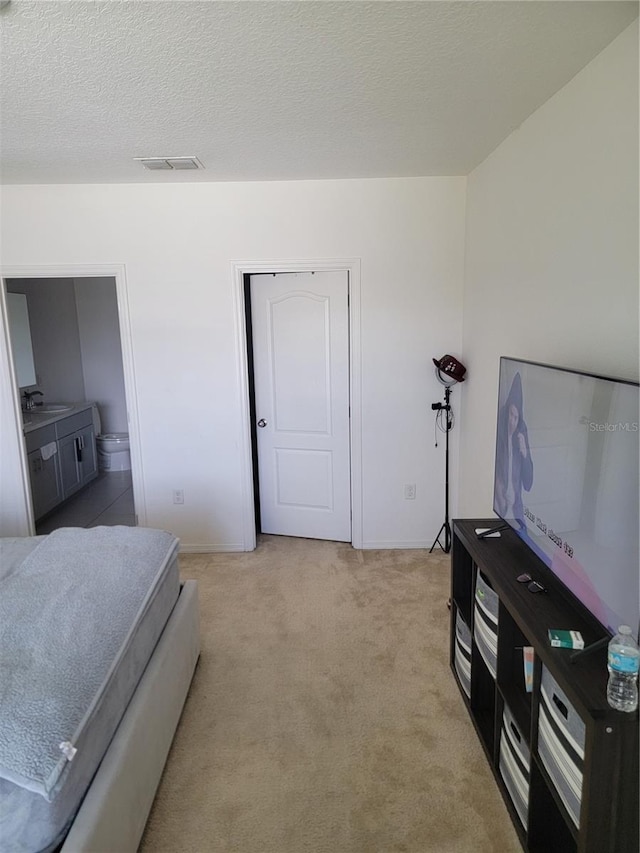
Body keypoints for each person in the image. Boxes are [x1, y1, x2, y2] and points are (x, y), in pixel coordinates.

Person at [494, 372, 533, 527]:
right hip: (499, 505)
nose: (512, 420)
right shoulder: (499, 433)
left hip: (516, 511)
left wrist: (525, 453)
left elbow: (528, 483)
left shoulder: (521, 436)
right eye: (510, 414)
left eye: (516, 417)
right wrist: (499, 491)